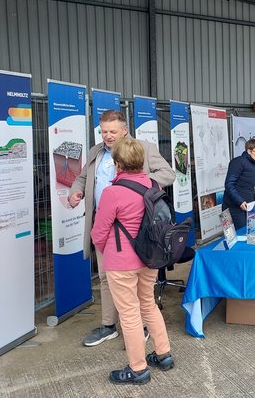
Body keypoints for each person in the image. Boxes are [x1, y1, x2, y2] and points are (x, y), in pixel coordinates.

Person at [68, 110, 174, 348]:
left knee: (137, 283)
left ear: (124, 130)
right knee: (106, 277)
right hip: (106, 227)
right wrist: (76, 191)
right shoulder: (96, 152)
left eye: (112, 131)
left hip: (138, 227)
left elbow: (168, 174)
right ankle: (108, 325)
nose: (107, 136)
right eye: (104, 131)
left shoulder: (143, 148)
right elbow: (82, 178)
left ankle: (140, 327)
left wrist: (140, 183)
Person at [90, 137, 174, 385]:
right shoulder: (153, 185)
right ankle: (163, 354)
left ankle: (138, 368)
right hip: (150, 258)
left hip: (121, 262)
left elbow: (98, 233)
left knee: (129, 314)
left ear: (117, 164)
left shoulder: (112, 192)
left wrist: (108, 251)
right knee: (148, 304)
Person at [222, 138, 255, 230]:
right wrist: (240, 201)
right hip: (235, 207)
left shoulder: (252, 163)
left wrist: (254, 199)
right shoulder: (238, 162)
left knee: (250, 231)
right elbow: (229, 184)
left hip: (247, 206)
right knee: (241, 233)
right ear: (249, 151)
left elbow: (246, 186)